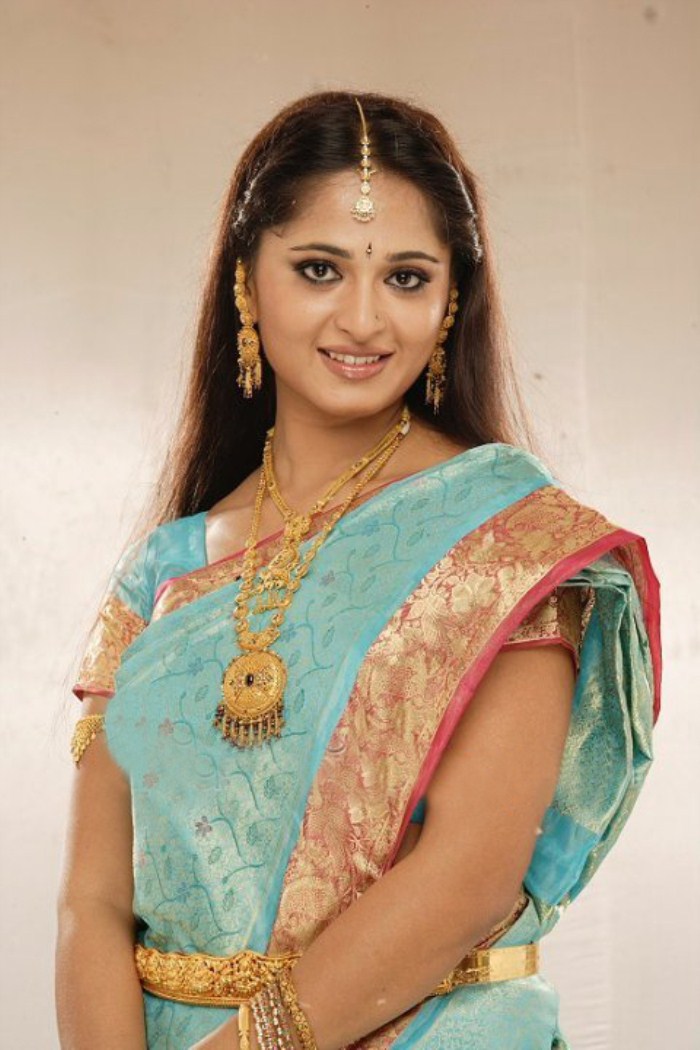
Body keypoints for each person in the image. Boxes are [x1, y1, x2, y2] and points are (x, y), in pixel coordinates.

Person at [55, 91, 661, 1050]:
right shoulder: (163, 572)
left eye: (407, 278)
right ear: (246, 283)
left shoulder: (503, 544)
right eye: (319, 269)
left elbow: (466, 881)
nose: (365, 318)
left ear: (451, 301)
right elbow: (92, 902)